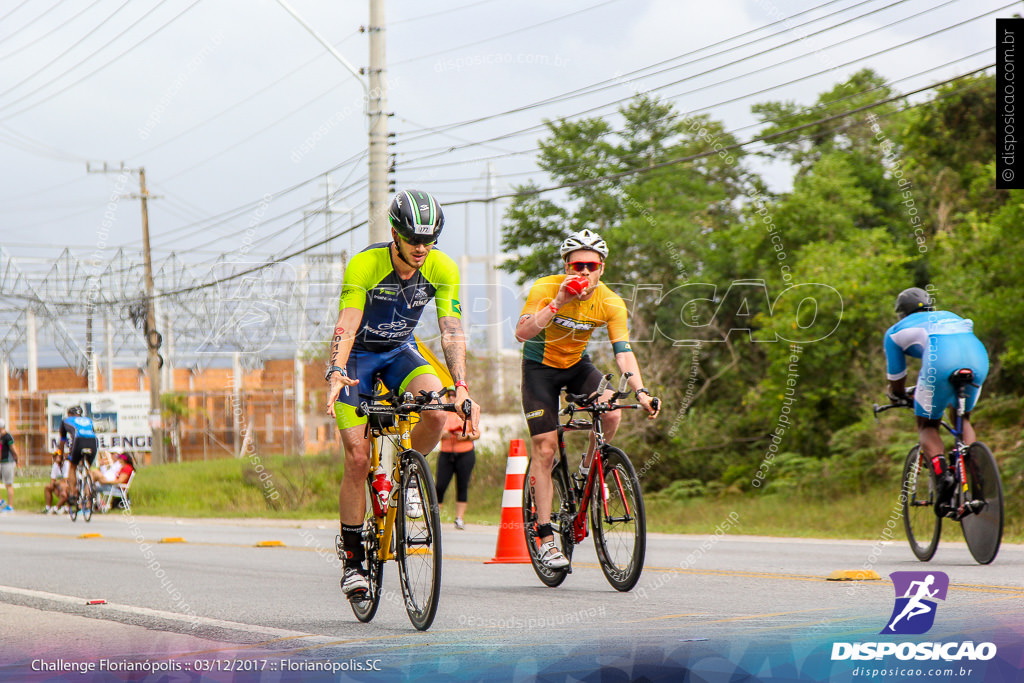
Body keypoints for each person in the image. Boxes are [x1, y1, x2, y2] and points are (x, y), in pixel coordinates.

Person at [325, 189, 479, 601]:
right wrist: (337, 369)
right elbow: (348, 320)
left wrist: (461, 384)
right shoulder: (366, 263)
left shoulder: (442, 267)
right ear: (395, 233)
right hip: (357, 356)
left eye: (429, 241)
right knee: (357, 457)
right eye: (414, 240)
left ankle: (407, 475)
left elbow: (450, 328)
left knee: (437, 411)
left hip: (399, 352)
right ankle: (354, 559)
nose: (422, 249)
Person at [514, 228, 660, 569]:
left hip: (577, 366)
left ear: (601, 269)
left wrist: (641, 392)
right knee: (546, 448)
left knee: (611, 413)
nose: (583, 273)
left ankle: (587, 472)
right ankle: (546, 537)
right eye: (576, 265)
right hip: (539, 369)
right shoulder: (545, 288)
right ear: (566, 266)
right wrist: (558, 302)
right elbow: (522, 333)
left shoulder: (610, 301)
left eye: (590, 267)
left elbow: (623, 353)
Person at [884, 287, 989, 512]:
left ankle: (943, 477)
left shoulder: (895, 331)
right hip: (977, 358)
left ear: (901, 313)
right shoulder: (950, 315)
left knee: (928, 424)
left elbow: (896, 376)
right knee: (963, 417)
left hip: (939, 363)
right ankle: (972, 466)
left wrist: (899, 394)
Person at [435, 387, 480, 530]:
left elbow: (477, 434)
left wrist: (465, 436)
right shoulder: (443, 413)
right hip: (446, 452)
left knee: (462, 486)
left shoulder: (467, 413)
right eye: (450, 396)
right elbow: (435, 432)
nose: (452, 398)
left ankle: (459, 518)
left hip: (465, 453)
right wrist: (444, 434)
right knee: (440, 486)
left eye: (454, 396)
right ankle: (434, 517)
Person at [60, 406, 98, 505]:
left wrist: (61, 454)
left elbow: (63, 440)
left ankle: (72, 493)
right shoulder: (88, 420)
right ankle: (89, 496)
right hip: (93, 442)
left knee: (73, 466)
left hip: (79, 440)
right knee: (87, 468)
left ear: (69, 414)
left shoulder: (66, 420)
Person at [42, 450, 70, 514]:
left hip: (67, 485)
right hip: (59, 484)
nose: (56, 458)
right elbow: (52, 479)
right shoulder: (55, 465)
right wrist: (55, 485)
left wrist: (55, 483)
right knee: (48, 487)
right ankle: (48, 507)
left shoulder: (66, 464)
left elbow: (65, 479)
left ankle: (57, 507)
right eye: (55, 456)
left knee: (63, 487)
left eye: (58, 456)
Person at [0, 419, 18, 513]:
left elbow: (13, 448)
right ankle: (1, 501)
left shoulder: (7, 437)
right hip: (1, 462)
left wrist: (17, 458)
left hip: (8, 462)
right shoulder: (0, 437)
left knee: (8, 484)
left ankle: (10, 506)